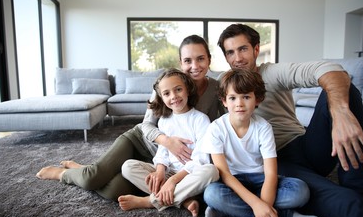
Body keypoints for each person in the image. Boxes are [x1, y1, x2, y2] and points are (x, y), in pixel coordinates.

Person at [213, 23, 363, 217]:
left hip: (307, 145)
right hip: (277, 162)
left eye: (243, 49)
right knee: (349, 204)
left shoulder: (273, 73)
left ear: (256, 49)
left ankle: (358, 186)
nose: (237, 57)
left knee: (345, 89)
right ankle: (352, 199)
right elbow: (185, 90)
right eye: (230, 52)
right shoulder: (225, 84)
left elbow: (331, 71)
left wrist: (341, 112)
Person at [36, 35, 224, 201]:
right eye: (188, 60)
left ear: (209, 59)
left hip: (161, 160)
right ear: (181, 62)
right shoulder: (167, 85)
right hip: (140, 141)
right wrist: (167, 142)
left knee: (112, 192)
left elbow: (225, 124)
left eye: (200, 59)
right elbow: (146, 125)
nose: (194, 66)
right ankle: (65, 173)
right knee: (92, 178)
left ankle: (95, 170)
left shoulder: (216, 89)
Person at [201, 69, 328, 217]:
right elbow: (224, 174)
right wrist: (256, 205)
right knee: (211, 194)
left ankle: (227, 210)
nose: (239, 103)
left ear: (257, 100)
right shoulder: (216, 129)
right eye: (233, 98)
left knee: (301, 191)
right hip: (233, 182)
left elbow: (270, 174)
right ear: (224, 101)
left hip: (260, 180)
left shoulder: (263, 127)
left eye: (246, 97)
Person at [119, 68, 219, 217]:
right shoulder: (164, 121)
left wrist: (173, 181)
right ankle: (184, 200)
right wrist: (159, 171)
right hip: (168, 171)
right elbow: (163, 151)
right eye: (167, 93)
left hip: (189, 175)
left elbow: (201, 159)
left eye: (178, 89)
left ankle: (151, 201)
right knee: (128, 167)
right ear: (161, 97)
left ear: (187, 90)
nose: (174, 96)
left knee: (211, 171)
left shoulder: (201, 119)